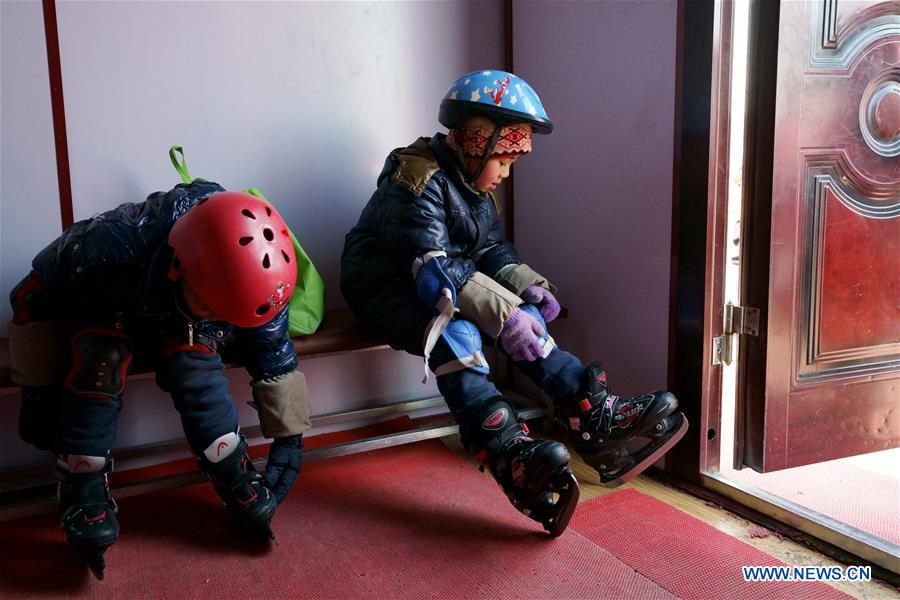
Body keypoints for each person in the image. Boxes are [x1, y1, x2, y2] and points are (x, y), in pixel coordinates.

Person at [341, 70, 688, 536]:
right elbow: (436, 271)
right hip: (387, 288)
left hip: (442, 279)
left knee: (527, 326)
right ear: (475, 143)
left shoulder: (475, 188)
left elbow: (487, 252)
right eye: (503, 161)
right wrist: (506, 315)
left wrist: (526, 286)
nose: (505, 174)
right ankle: (507, 453)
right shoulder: (416, 184)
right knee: (459, 335)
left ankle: (589, 413)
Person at [8, 183, 311, 578]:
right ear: (180, 264)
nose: (218, 314)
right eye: (213, 305)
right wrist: (38, 392)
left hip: (178, 321)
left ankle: (230, 466)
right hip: (109, 311)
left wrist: (290, 433)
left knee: (195, 362)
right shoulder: (110, 245)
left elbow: (270, 344)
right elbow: (31, 296)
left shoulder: (258, 272)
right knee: (99, 360)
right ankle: (81, 480)